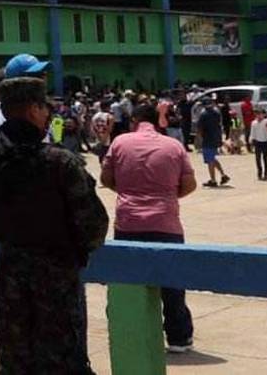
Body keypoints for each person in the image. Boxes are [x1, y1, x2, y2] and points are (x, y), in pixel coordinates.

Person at [0, 76, 109, 375]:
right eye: (44, 107)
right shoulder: (62, 163)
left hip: (8, 271)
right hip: (56, 276)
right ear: (35, 109)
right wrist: (77, 252)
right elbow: (94, 225)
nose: (48, 114)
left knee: (14, 357)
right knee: (60, 357)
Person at [101, 102, 197, 353]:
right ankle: (178, 337)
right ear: (158, 121)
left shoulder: (120, 143)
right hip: (166, 222)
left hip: (129, 222)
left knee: (127, 282)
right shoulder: (174, 145)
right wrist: (166, 197)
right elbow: (189, 184)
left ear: (133, 121)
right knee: (172, 283)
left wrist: (129, 193)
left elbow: (106, 179)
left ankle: (128, 332)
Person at [197, 98, 230, 188]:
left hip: (207, 139)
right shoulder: (216, 113)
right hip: (216, 138)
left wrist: (199, 140)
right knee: (212, 158)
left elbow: (200, 129)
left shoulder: (203, 115)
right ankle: (223, 175)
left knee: (210, 160)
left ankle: (213, 180)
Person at [250, 107, 267, 181]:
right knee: (258, 158)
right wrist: (252, 139)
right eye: (257, 114)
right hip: (257, 142)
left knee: (265, 158)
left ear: (264, 114)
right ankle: (259, 173)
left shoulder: (266, 122)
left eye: (260, 114)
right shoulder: (254, 123)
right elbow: (252, 132)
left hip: (265, 141)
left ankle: (266, 174)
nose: (258, 115)